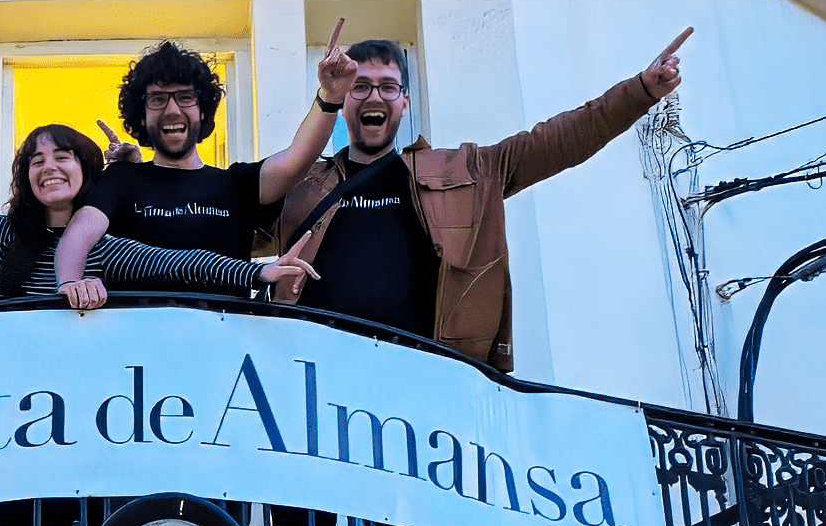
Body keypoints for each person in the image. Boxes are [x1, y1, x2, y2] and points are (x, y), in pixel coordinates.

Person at [268, 29, 694, 371]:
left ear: (405, 102)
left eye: (387, 87)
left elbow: (558, 141)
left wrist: (639, 92)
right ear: (344, 102)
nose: (374, 97)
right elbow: (224, 218)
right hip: (317, 379)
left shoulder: (466, 170)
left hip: (430, 377)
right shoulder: (302, 182)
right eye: (360, 87)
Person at [51, 21, 358, 307]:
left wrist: (330, 97)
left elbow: (297, 161)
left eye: (185, 98)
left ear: (203, 110)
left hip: (222, 351)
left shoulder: (235, 184)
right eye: (157, 99)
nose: (172, 110)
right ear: (141, 116)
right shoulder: (121, 178)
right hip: (136, 350)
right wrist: (69, 283)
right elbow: (79, 234)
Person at [0, 123, 319, 300]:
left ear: (88, 169)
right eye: (35, 161)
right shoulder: (4, 233)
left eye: (62, 157)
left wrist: (258, 273)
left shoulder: (106, 249)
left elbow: (183, 263)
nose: (48, 167)